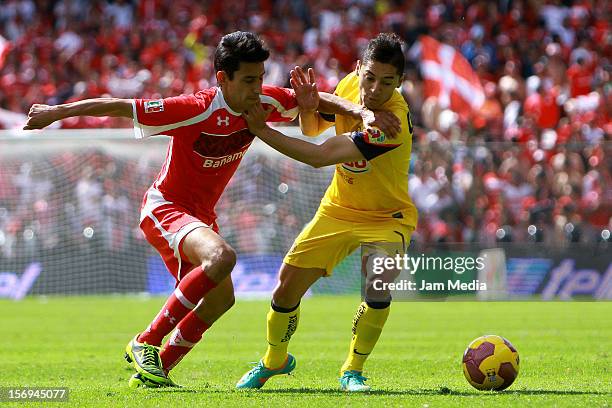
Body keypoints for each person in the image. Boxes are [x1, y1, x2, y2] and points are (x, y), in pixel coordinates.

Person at [23, 31, 400, 388]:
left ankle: (158, 370)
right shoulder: (195, 108)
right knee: (222, 256)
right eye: (249, 81)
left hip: (200, 216)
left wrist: (360, 113)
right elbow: (120, 106)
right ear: (223, 78)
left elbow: (316, 101)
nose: (259, 89)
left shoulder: (261, 102)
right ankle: (145, 341)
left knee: (222, 299)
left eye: (261, 78)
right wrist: (55, 112)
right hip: (165, 207)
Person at [236, 33, 417, 392]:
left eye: (387, 82)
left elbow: (319, 156)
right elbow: (312, 128)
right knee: (286, 288)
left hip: (387, 218)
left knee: (377, 287)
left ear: (400, 84)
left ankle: (353, 370)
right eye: (370, 77)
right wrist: (307, 106)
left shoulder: (391, 124)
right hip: (338, 208)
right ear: (358, 69)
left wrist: (261, 130)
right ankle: (275, 361)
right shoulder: (350, 85)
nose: (375, 88)